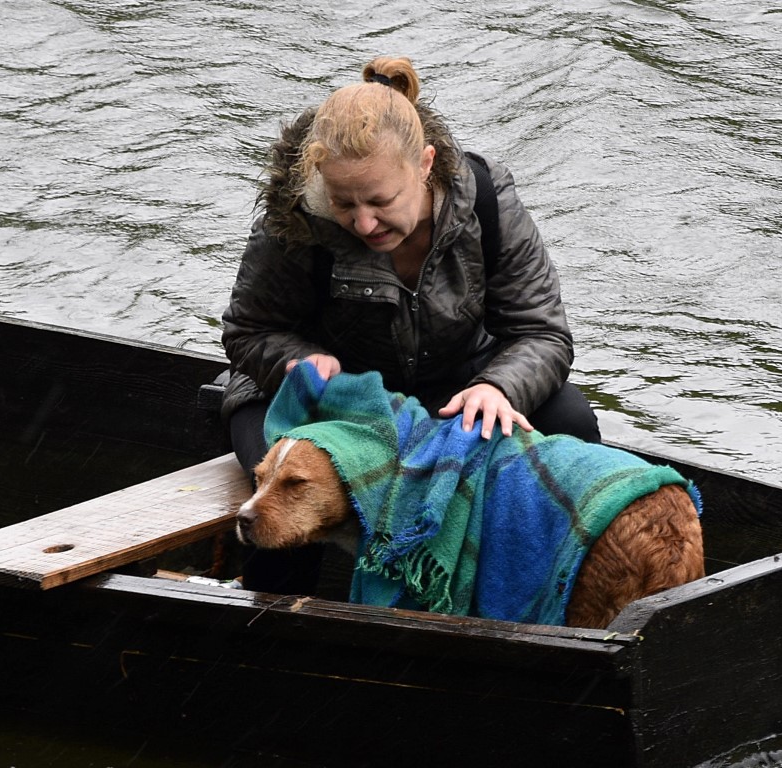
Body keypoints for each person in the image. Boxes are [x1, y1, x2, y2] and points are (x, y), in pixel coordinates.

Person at [220, 55, 599, 593]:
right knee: (295, 487)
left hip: (447, 387)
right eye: (343, 203)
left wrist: (497, 387)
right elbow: (247, 330)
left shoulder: (486, 199)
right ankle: (272, 610)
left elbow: (542, 332)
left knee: (570, 418)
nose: (364, 222)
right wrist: (298, 361)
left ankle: (537, 588)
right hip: (317, 399)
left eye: (381, 200)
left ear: (425, 164)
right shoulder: (294, 220)